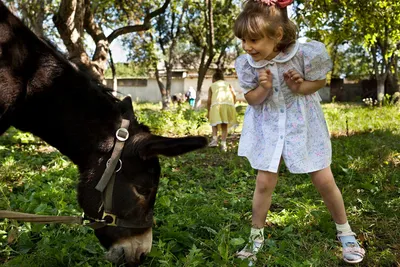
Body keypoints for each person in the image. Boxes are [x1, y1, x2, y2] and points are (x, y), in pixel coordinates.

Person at [233, 0, 365, 264]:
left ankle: (345, 232)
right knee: (264, 182)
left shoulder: (304, 54)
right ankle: (255, 236)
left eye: (254, 40)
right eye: (243, 40)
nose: (247, 46)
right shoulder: (248, 64)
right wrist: (263, 89)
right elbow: (252, 99)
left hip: (303, 124)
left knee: (324, 179)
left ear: (277, 35)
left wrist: (301, 86)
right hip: (269, 126)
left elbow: (318, 83)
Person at [207, 70, 238, 152]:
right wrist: (233, 103)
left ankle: (214, 140)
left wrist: (208, 110)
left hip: (216, 104)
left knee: (214, 123)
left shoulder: (212, 86)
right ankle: (223, 144)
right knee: (224, 124)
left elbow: (209, 100)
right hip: (228, 104)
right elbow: (234, 94)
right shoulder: (228, 84)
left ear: (213, 79)